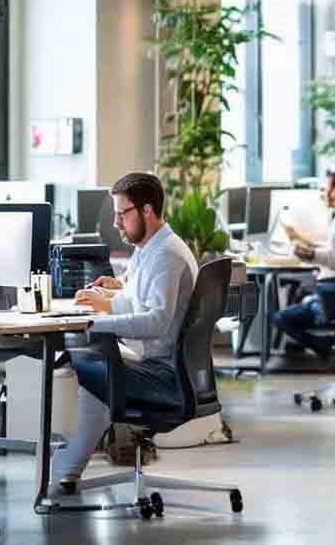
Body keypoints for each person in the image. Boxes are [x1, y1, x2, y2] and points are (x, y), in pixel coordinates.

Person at [52, 172, 219, 491]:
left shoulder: (166, 254)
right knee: (92, 358)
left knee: (87, 360)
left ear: (146, 211)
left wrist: (95, 322)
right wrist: (111, 299)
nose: (115, 222)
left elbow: (156, 320)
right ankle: (71, 464)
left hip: (164, 375)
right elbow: (138, 296)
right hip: (160, 362)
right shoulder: (151, 247)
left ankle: (69, 464)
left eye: (121, 213)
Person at [271, 170, 335, 370]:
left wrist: (304, 254)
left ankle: (324, 347)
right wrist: (303, 240)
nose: (324, 193)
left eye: (327, 189)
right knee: (300, 293)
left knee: (279, 317)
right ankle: (323, 346)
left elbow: (334, 261)